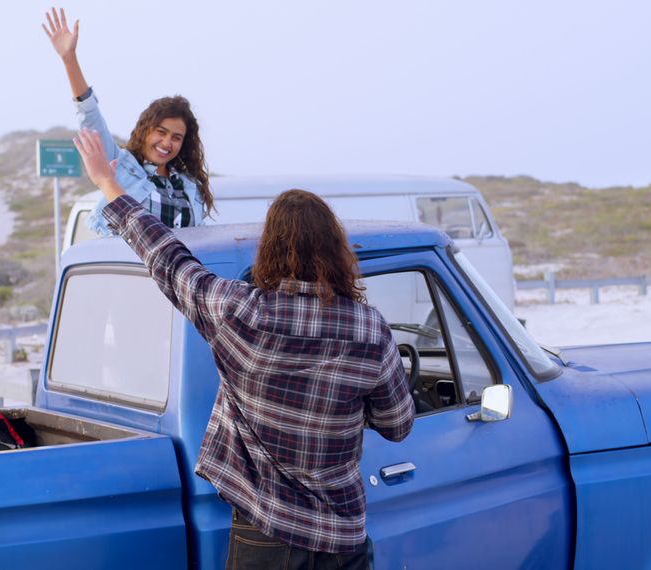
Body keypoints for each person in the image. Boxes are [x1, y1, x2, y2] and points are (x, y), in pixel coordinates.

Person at [73, 128, 415, 569]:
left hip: (264, 532)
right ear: (335, 250)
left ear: (269, 248)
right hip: (340, 535)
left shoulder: (239, 313)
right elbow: (398, 425)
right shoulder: (369, 330)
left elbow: (168, 257)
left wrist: (108, 185)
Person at [43, 7, 213, 232]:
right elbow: (90, 115)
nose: (166, 143)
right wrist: (69, 59)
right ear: (145, 130)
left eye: (176, 137)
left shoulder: (189, 186)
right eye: (160, 132)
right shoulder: (119, 167)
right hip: (131, 268)